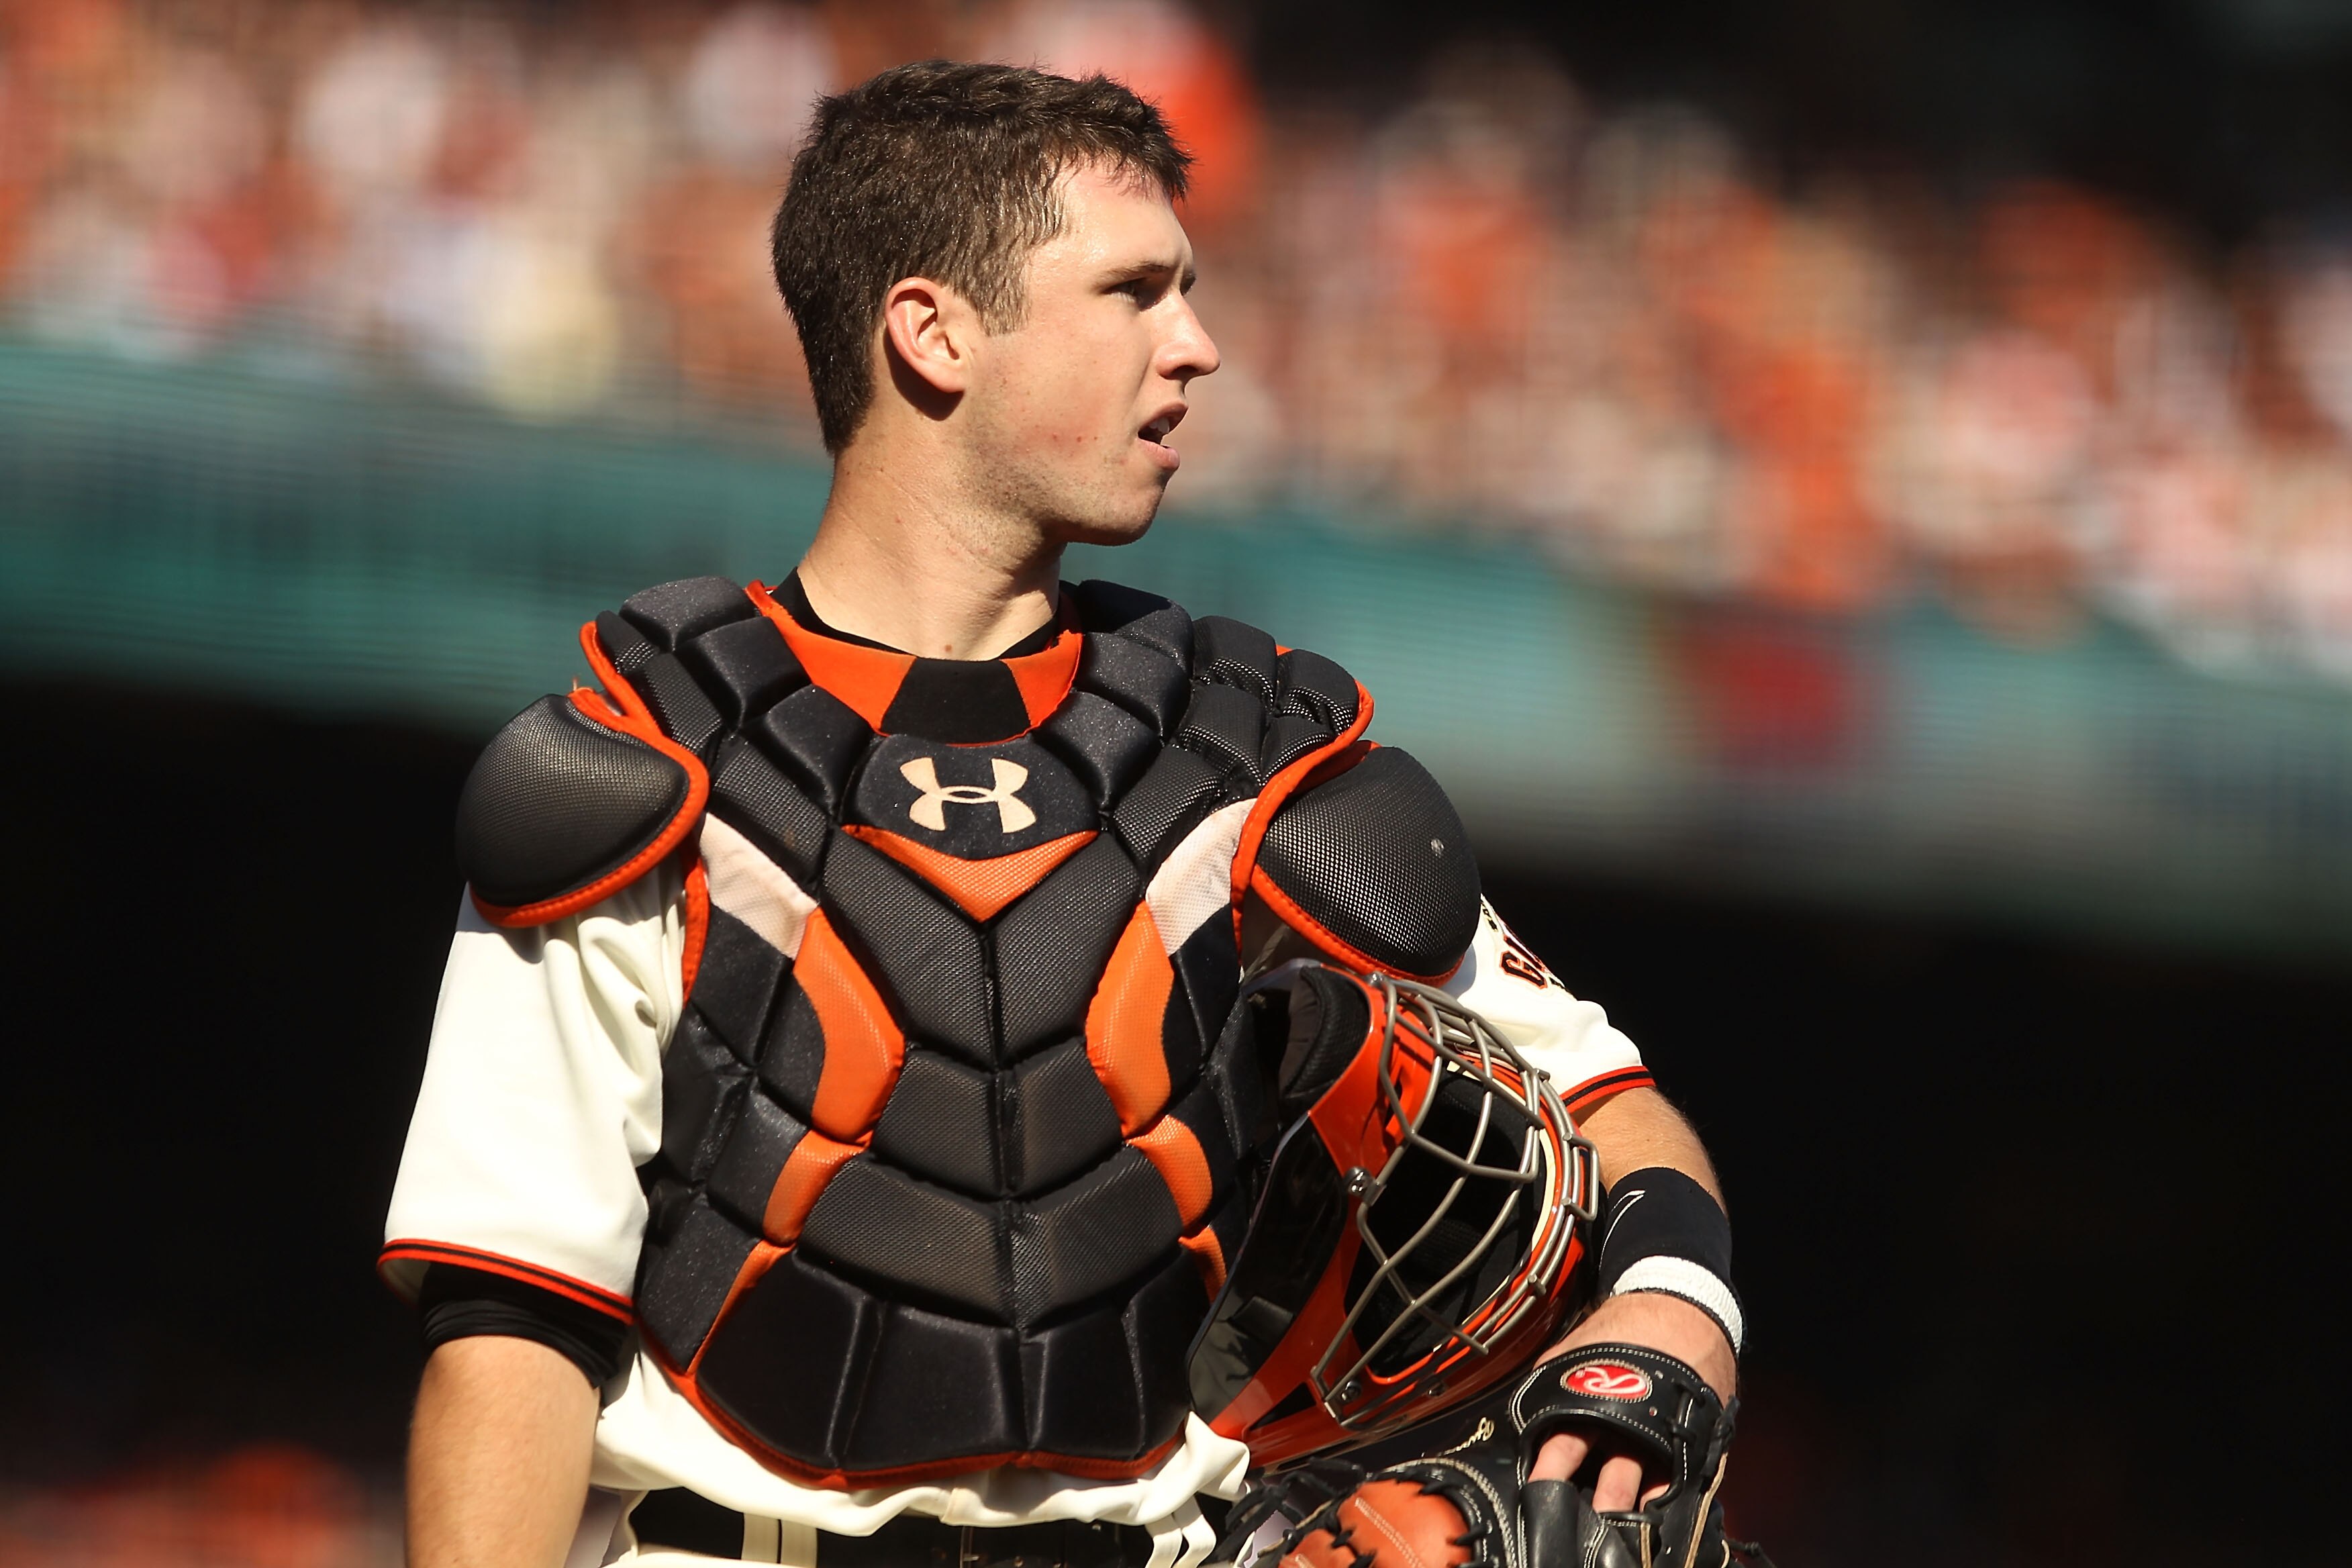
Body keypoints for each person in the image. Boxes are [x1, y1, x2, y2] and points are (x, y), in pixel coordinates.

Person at [383, 61, 1741, 1568]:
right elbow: (508, 1323)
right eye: (1133, 292)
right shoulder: (651, 759)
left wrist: (1672, 1310)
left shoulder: (1248, 756)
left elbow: (1610, 1106)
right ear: (934, 332)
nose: (1199, 347)